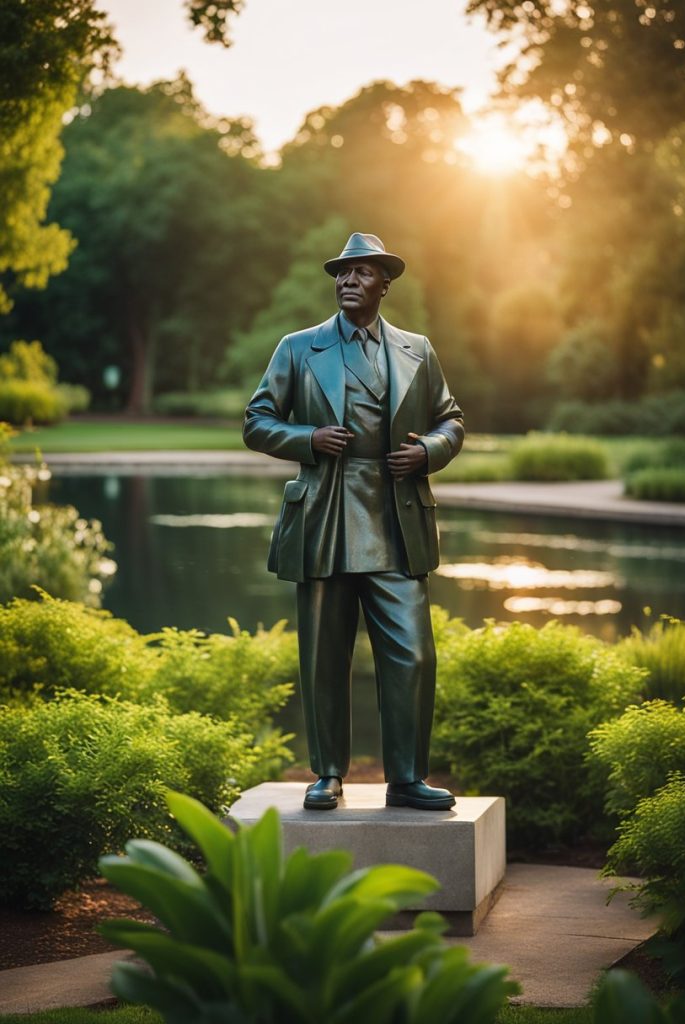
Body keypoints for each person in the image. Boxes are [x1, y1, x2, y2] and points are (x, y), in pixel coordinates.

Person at [243, 232, 464, 810]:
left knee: (413, 653)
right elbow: (256, 420)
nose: (347, 281)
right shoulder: (299, 347)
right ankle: (328, 773)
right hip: (325, 517)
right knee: (323, 654)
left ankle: (408, 778)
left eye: (361, 273)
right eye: (341, 273)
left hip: (397, 518)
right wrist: (308, 438)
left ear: (384, 285)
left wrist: (429, 452)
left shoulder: (418, 349)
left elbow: (452, 420)